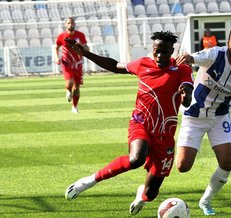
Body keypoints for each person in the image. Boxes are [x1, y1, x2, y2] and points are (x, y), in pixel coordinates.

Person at [63, 31, 194, 215]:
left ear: (172, 51)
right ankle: (89, 181)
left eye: (165, 52)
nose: (159, 56)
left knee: (151, 192)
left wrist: (185, 95)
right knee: (136, 159)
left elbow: (187, 93)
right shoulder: (143, 64)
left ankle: (142, 195)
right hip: (141, 123)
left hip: (164, 135)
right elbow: (116, 65)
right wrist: (86, 53)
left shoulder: (182, 69)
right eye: (156, 51)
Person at [175, 25, 231, 216]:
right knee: (182, 166)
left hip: (220, 118)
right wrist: (188, 57)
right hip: (194, 115)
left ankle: (206, 200)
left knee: (227, 163)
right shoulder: (215, 54)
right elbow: (195, 58)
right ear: (229, 42)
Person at [55, 17, 88, 113]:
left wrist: (84, 47)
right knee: (70, 82)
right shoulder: (61, 36)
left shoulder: (80, 35)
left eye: (72, 23)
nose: (70, 25)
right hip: (67, 63)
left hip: (78, 64)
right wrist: (57, 57)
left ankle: (74, 107)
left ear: (74, 24)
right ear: (66, 24)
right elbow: (56, 47)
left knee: (77, 87)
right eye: (69, 23)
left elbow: (86, 47)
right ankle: (68, 90)